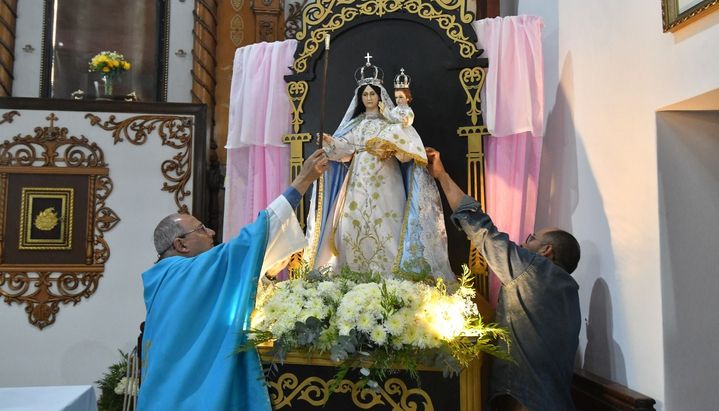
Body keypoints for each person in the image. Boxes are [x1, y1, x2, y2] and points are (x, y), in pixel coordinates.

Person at [138, 149, 329, 411]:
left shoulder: (162, 278)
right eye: (201, 229)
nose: (212, 231)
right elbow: (251, 240)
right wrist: (302, 182)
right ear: (180, 244)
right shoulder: (185, 274)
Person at [425, 147, 581, 411]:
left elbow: (479, 227)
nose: (524, 241)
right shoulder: (569, 292)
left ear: (547, 251)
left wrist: (441, 176)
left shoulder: (533, 271)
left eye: (531, 238)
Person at [308, 57, 453, 282]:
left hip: (386, 177)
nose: (368, 98)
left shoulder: (390, 124)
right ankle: (355, 274)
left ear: (379, 96)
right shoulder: (357, 124)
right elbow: (346, 149)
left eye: (372, 94)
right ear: (360, 98)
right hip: (358, 180)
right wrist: (330, 142)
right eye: (364, 95)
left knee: (388, 221)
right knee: (351, 223)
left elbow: (405, 152)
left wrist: (389, 147)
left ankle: (391, 276)